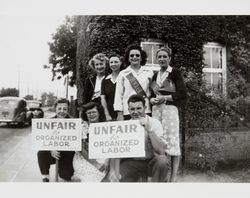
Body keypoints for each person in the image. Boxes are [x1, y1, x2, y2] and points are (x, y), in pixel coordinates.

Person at [110, 94, 170, 182]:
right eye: (132, 109)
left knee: (162, 161)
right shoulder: (124, 126)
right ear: (128, 110)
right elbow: (117, 151)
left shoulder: (154, 123)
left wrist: (149, 130)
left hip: (151, 161)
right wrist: (113, 171)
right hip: (132, 162)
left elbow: (161, 151)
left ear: (145, 108)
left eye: (139, 108)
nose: (135, 112)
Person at [150, 46, 187, 182]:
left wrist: (164, 98)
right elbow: (152, 94)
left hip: (170, 111)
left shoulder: (175, 73)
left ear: (169, 58)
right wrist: (152, 99)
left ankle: (173, 178)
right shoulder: (155, 75)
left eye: (165, 56)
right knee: (158, 142)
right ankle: (162, 176)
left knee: (172, 143)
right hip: (156, 111)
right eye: (159, 57)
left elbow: (182, 94)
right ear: (156, 59)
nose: (162, 59)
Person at [37, 98, 75, 182]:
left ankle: (63, 170)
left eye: (65, 109)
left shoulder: (74, 123)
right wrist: (51, 149)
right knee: (41, 152)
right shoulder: (49, 122)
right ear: (55, 109)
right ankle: (45, 175)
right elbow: (44, 139)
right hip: (52, 152)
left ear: (68, 110)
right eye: (59, 108)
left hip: (66, 153)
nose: (62, 111)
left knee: (66, 176)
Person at [114, 44, 153, 121]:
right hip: (128, 111)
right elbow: (118, 94)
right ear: (128, 59)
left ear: (141, 58)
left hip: (145, 110)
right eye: (131, 56)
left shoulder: (149, 72)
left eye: (137, 55)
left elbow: (154, 91)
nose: (134, 57)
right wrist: (119, 113)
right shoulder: (123, 73)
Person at [72, 102, 108, 182]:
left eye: (94, 112)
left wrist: (107, 160)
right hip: (84, 158)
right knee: (90, 177)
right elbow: (81, 149)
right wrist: (96, 164)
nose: (91, 115)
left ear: (99, 113)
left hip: (102, 156)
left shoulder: (105, 126)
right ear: (86, 115)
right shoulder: (83, 127)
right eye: (89, 113)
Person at [101, 53, 124, 121]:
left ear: (121, 63)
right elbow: (103, 99)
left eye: (116, 62)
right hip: (109, 114)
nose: (113, 64)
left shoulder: (125, 77)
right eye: (111, 62)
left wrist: (121, 114)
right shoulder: (105, 80)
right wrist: (107, 114)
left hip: (123, 113)